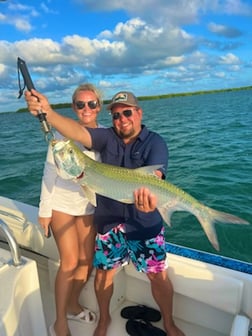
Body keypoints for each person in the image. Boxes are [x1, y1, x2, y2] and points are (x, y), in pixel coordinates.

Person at [25, 89, 185, 336]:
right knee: (103, 275)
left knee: (157, 275)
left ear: (139, 113)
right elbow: (78, 133)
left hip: (145, 223)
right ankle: (103, 320)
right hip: (109, 224)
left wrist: (151, 199)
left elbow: (157, 177)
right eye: (117, 115)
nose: (122, 119)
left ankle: (170, 323)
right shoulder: (106, 137)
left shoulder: (156, 142)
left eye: (127, 113)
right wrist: (48, 112)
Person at [38, 84, 103, 336]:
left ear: (100, 106)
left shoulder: (106, 135)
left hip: (88, 205)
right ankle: (60, 322)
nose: (86, 109)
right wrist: (45, 210)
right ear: (73, 107)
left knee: (87, 262)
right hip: (62, 205)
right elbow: (49, 172)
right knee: (70, 262)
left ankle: (73, 305)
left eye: (91, 104)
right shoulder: (63, 136)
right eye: (80, 104)